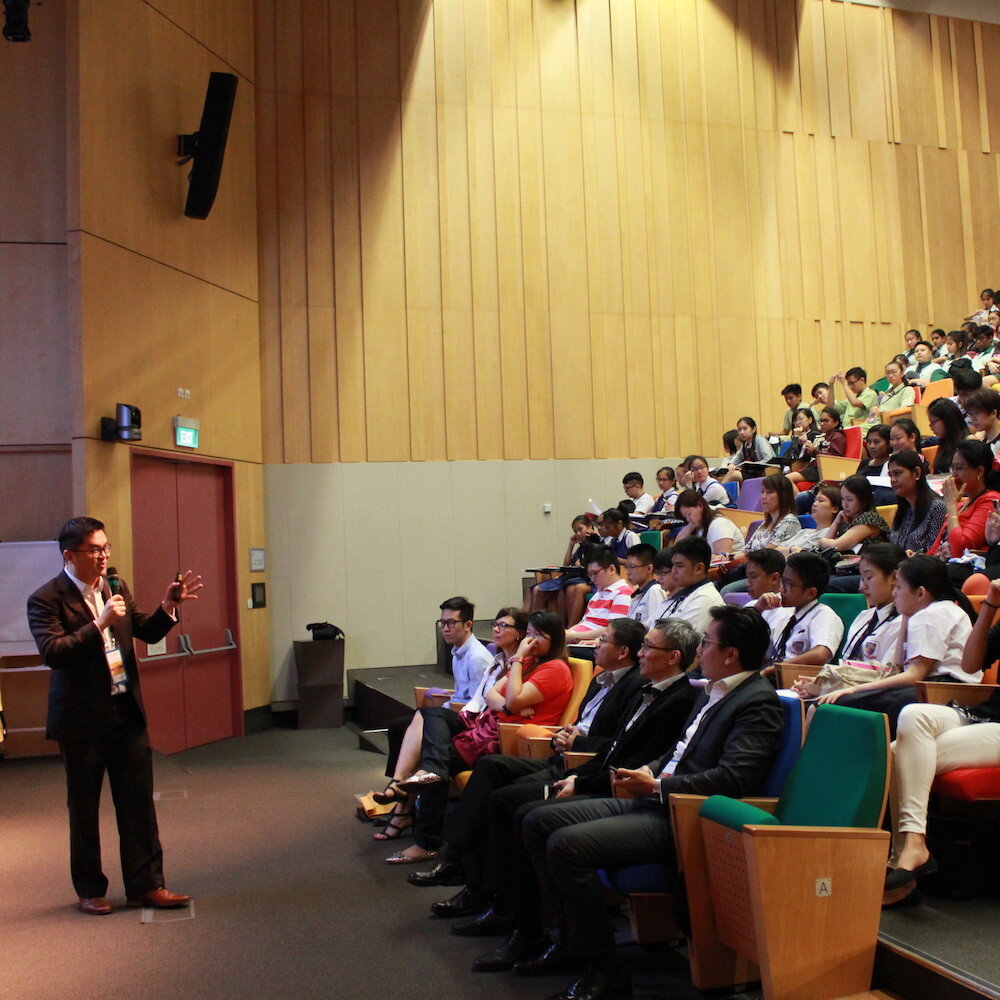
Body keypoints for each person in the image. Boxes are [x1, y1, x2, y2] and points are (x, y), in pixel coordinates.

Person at [507, 606, 783, 1000]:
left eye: (706, 642)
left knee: (566, 844)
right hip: (655, 799)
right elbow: (674, 754)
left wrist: (656, 786)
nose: (699, 650)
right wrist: (645, 774)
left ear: (731, 653)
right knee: (536, 819)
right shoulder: (713, 690)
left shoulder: (757, 701)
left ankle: (604, 970)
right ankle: (563, 942)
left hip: (682, 815)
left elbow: (735, 778)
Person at [456, 619, 703, 968]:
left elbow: (634, 761)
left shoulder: (680, 697)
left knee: (526, 812)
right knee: (510, 796)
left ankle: (544, 933)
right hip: (599, 774)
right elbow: (616, 750)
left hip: (637, 796)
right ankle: (513, 914)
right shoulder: (650, 688)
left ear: (673, 656)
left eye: (649, 647)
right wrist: (579, 776)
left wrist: (582, 780)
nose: (642, 653)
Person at [26, 516, 203, 915]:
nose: (104, 556)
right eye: (95, 550)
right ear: (70, 555)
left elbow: (147, 630)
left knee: (139, 802)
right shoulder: (45, 599)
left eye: (106, 548)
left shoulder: (116, 586)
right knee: (85, 807)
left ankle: (147, 886)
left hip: (125, 711)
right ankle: (90, 888)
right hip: (81, 721)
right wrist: (100, 621)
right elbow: (55, 652)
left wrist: (168, 605)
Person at [405, 618, 651, 896]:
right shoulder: (600, 678)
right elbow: (495, 696)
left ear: (622, 652)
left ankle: (475, 881)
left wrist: (573, 737)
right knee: (487, 766)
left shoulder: (631, 686)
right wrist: (563, 730)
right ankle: (456, 861)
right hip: (559, 749)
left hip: (578, 763)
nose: (595, 643)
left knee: (501, 794)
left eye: (603, 640)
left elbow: (617, 742)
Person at [883, 577, 1000, 908]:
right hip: (983, 714)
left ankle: (902, 864)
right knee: (914, 715)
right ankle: (914, 848)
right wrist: (990, 603)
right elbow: (970, 664)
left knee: (898, 751)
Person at [373, 608, 529, 855]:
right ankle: (402, 794)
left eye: (504, 626)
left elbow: (496, 702)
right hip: (471, 716)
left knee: (433, 750)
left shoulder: (506, 663)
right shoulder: (497, 660)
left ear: (521, 634)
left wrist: (469, 710)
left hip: (489, 727)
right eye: (495, 625)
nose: (496, 630)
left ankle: (411, 812)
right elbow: (481, 698)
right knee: (419, 719)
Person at [817, 556, 978, 734]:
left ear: (921, 593)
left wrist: (854, 689)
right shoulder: (929, 612)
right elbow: (898, 664)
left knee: (838, 704)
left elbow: (914, 675)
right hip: (937, 689)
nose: (894, 593)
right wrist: (906, 616)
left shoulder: (931, 615)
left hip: (943, 690)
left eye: (899, 588)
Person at [790, 543, 905, 700]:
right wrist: (822, 683)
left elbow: (884, 676)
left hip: (875, 695)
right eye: (861, 578)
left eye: (868, 578)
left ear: (893, 578)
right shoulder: (864, 616)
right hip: (850, 690)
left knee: (816, 711)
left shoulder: (902, 623)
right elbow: (848, 666)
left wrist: (829, 687)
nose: (861, 587)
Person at [758, 551, 844, 669]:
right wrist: (758, 610)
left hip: (795, 679)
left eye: (789, 584)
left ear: (810, 593)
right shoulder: (785, 613)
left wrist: (776, 668)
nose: (781, 589)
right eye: (783, 581)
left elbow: (820, 654)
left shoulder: (823, 615)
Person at [928, 439, 1000, 561]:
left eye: (959, 468)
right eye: (952, 468)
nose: (954, 475)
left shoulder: (989, 501)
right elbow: (934, 549)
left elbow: (959, 550)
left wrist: (951, 506)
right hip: (939, 567)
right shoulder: (962, 504)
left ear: (979, 471)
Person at [524, 515, 601, 617]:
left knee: (541, 590)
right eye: (575, 531)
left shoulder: (596, 542)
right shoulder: (581, 546)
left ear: (589, 527)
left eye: (580, 529)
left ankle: (539, 626)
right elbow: (566, 564)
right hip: (569, 577)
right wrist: (571, 545)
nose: (577, 534)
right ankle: (523, 625)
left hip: (582, 579)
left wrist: (582, 562)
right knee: (533, 589)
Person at [652, 536, 726, 633]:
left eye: (679, 566)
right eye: (673, 565)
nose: (673, 571)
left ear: (699, 568)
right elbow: (649, 626)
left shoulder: (705, 598)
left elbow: (678, 640)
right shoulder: (681, 593)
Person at [888, 450, 947, 554]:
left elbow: (934, 553)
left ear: (917, 473)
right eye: (890, 475)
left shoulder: (937, 507)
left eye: (897, 473)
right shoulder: (904, 508)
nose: (893, 480)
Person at [565, 550, 633, 640]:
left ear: (612, 569)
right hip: (577, 638)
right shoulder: (599, 592)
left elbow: (613, 631)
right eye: (590, 575)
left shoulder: (623, 593)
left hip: (591, 644)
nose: (592, 579)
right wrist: (567, 633)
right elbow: (584, 622)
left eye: (595, 573)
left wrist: (570, 636)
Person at [814, 475, 888, 553]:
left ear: (863, 500)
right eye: (842, 499)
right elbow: (826, 548)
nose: (844, 505)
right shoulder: (848, 517)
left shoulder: (870, 519)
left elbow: (836, 546)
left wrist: (821, 541)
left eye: (849, 500)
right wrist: (836, 522)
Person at [786, 405, 847, 485]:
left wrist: (814, 450)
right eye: (820, 421)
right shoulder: (823, 436)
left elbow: (834, 459)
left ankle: (797, 497)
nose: (822, 423)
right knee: (784, 480)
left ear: (835, 423)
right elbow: (808, 456)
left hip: (824, 469)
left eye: (826, 421)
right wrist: (807, 448)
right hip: (814, 467)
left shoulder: (837, 436)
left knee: (787, 479)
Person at [672, 488, 744, 556]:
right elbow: (677, 549)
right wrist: (691, 525)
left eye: (689, 514)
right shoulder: (698, 526)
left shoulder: (719, 524)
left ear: (700, 506)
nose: (688, 519)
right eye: (685, 517)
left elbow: (723, 558)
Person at [621, 543, 666, 628]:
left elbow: (656, 626)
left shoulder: (655, 590)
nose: (628, 572)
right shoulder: (638, 594)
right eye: (627, 567)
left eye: (632, 567)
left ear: (649, 568)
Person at [723, 416, 775, 483]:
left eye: (745, 429)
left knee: (732, 475)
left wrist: (752, 465)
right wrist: (731, 464)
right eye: (739, 430)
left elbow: (769, 460)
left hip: (765, 473)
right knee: (726, 474)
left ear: (753, 429)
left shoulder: (760, 440)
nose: (742, 432)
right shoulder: (745, 445)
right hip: (752, 473)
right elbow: (736, 459)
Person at [927, 397, 970, 474]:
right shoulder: (945, 442)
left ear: (947, 419)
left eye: (933, 422)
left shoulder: (968, 442)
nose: (931, 427)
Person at [964, 387, 1000, 460]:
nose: (972, 418)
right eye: (970, 414)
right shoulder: (983, 441)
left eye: (976, 413)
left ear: (993, 413)